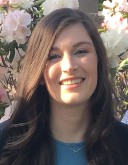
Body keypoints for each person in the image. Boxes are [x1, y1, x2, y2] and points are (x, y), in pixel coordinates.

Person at [0, 8, 128, 165]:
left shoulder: (123, 143)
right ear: (39, 72)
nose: (69, 66)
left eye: (81, 51)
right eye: (54, 56)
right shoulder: (5, 144)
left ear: (99, 62)